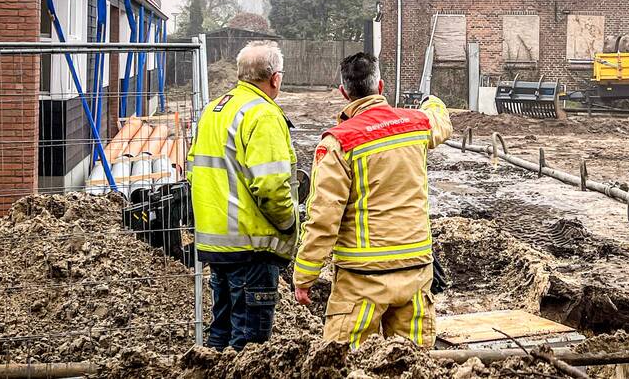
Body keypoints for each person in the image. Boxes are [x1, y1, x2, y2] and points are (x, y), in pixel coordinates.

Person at [292, 52, 451, 348]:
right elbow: (441, 121)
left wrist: (305, 274)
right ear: (380, 86)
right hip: (415, 272)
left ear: (344, 93)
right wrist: (432, 102)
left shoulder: (338, 143)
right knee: (413, 364)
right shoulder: (416, 124)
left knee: (343, 361)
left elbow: (324, 218)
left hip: (362, 280)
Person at [187, 40, 298, 351]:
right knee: (249, 349)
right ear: (275, 78)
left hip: (217, 247)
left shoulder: (214, 110)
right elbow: (273, 189)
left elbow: (193, 170)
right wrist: (289, 225)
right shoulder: (263, 114)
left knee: (220, 338)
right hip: (252, 249)